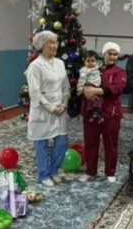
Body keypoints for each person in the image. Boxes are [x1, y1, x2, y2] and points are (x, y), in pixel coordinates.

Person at [26, 30, 70, 186]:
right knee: (42, 143)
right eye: (51, 42)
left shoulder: (60, 63)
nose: (55, 45)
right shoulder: (35, 66)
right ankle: (44, 175)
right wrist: (51, 108)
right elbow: (34, 92)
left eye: (56, 42)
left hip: (60, 108)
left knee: (62, 142)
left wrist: (64, 103)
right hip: (43, 110)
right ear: (42, 45)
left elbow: (65, 87)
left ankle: (54, 171)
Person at [80, 41, 127, 183]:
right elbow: (83, 82)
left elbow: (118, 88)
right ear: (104, 54)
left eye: (115, 54)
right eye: (109, 53)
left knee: (110, 144)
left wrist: (96, 91)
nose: (112, 57)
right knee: (90, 142)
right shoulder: (94, 69)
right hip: (91, 112)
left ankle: (110, 172)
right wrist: (84, 91)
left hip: (111, 114)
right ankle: (90, 171)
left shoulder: (120, 72)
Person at [78, 49, 103, 123]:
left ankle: (96, 114)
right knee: (90, 101)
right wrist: (80, 88)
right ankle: (91, 114)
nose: (90, 63)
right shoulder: (84, 70)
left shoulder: (97, 68)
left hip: (97, 86)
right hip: (89, 85)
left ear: (96, 61)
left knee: (99, 100)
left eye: (92, 61)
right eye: (88, 61)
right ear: (84, 61)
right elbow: (81, 80)